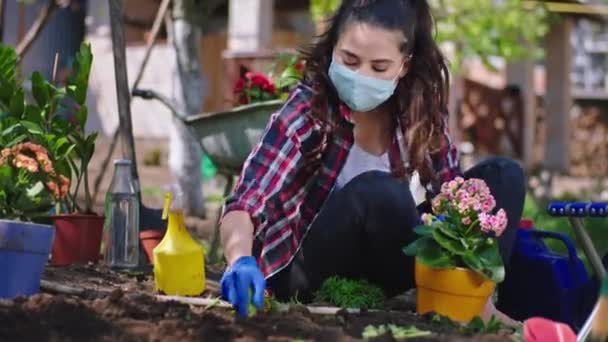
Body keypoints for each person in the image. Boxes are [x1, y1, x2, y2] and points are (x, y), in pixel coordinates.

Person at [219, 0, 526, 318]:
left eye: (379, 68)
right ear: (334, 47)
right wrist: (240, 259)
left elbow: (449, 196)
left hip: (389, 263)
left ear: (403, 65)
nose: (360, 76)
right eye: (349, 60)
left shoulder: (416, 110)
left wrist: (461, 239)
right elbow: (246, 201)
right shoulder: (310, 108)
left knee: (502, 175)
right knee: (379, 191)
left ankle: (471, 303)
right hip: (309, 267)